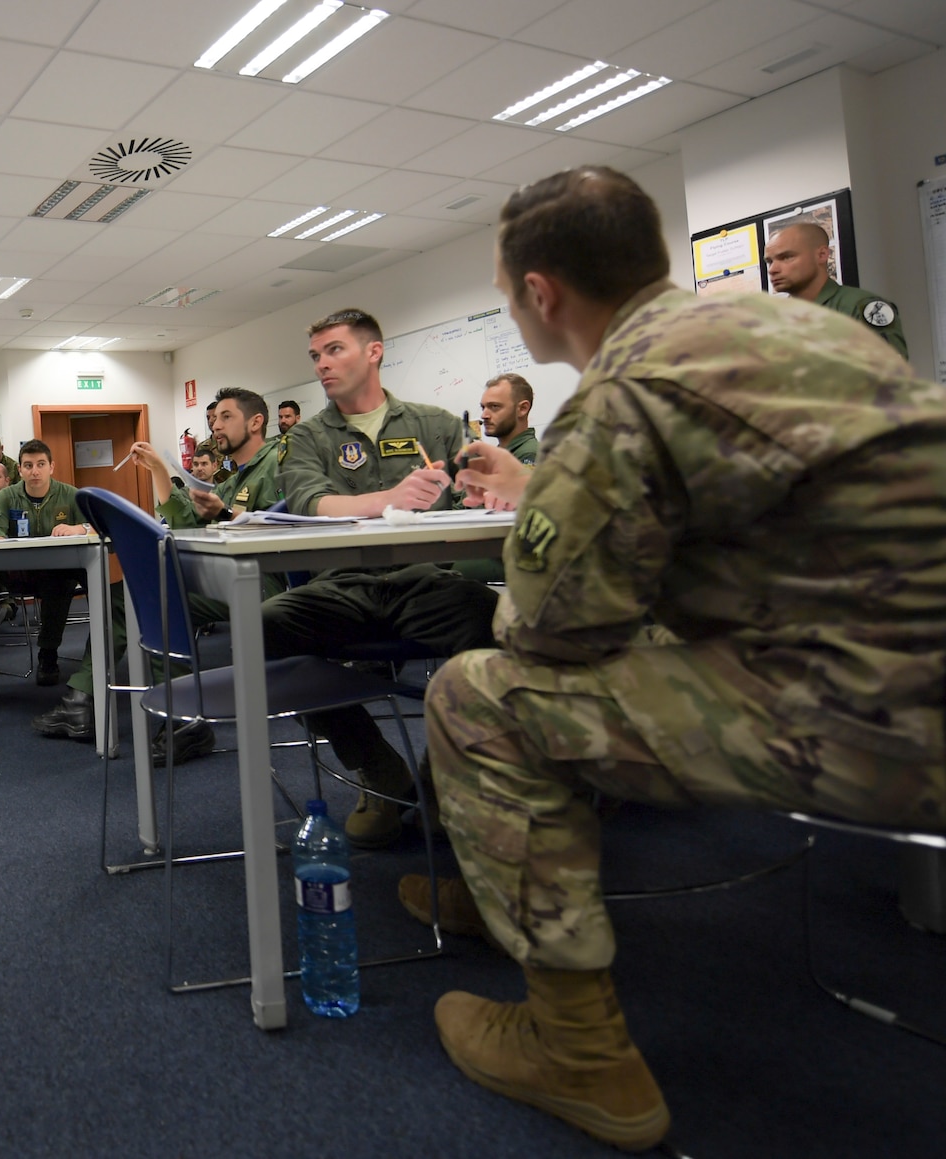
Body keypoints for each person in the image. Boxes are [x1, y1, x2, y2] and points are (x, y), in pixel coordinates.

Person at [397, 165, 946, 1153]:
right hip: (897, 670)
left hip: (879, 720)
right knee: (626, 653)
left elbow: (551, 628)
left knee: (480, 692)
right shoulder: (804, 328)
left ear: (538, 293)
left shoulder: (620, 391)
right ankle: (502, 891)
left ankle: (575, 1049)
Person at [261, 308, 497, 849]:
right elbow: (308, 501)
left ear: (374, 351)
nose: (322, 364)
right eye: (316, 356)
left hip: (425, 580)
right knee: (262, 630)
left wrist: (484, 490)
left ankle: (443, 781)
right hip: (342, 585)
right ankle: (378, 767)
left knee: (488, 618)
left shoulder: (433, 423)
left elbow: (475, 482)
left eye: (334, 350)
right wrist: (386, 501)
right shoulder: (308, 437)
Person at [33, 388, 283, 762]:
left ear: (256, 421)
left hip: (261, 580)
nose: (215, 426)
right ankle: (83, 701)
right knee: (126, 598)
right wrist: (160, 471)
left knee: (154, 598)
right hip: (225, 573)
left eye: (225, 417)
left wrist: (223, 517)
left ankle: (182, 719)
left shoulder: (278, 464)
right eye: (213, 419)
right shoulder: (233, 480)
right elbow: (184, 526)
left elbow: (289, 530)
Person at [0, 439, 89, 686]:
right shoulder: (7, 496)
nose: (35, 471)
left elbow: (94, 526)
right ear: (19, 470)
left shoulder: (71, 494)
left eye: (41, 464)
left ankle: (49, 654)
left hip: (58, 573)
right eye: (28, 465)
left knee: (61, 582)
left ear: (52, 466)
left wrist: (77, 529)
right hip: (18, 572)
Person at [764, 218, 906, 357]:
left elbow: (890, 371)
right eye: (769, 261)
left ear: (822, 255)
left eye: (786, 257)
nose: (773, 269)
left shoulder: (858, 306)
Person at [453, 374, 538, 584]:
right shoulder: (499, 455)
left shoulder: (531, 455)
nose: (484, 415)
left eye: (494, 407)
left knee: (439, 570)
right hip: (486, 547)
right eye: (482, 407)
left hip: (504, 555)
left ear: (522, 408)